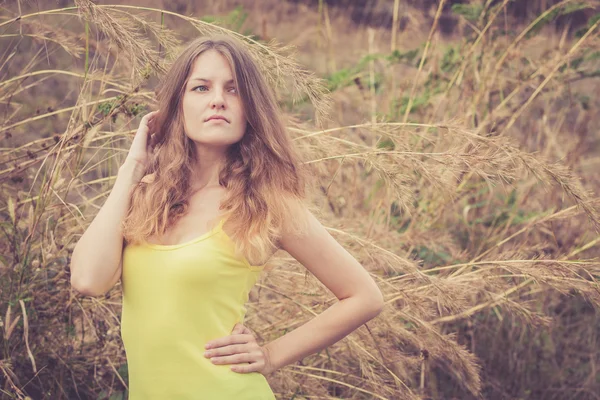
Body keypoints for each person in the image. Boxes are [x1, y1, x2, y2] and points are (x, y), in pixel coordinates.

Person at [69, 34, 384, 399]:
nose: (218, 99)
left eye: (233, 90)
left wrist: (270, 355)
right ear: (178, 104)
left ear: (251, 108)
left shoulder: (266, 202)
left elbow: (364, 296)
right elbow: (88, 280)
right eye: (201, 87)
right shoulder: (145, 194)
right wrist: (132, 169)